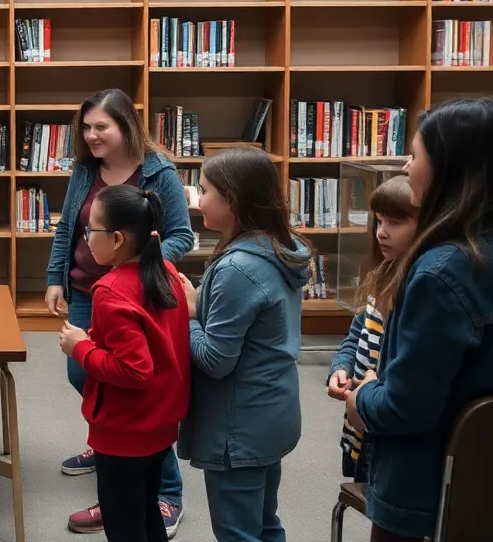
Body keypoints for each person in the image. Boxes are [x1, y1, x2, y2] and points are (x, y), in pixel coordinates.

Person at [45, 88, 194, 536]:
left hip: (134, 291)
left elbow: (181, 236)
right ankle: (110, 440)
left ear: (126, 125)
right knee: (83, 374)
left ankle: (166, 490)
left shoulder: (157, 171)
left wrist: (138, 268)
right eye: (86, 127)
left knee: (132, 382)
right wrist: (56, 276)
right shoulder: (85, 169)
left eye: (101, 127)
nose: (91, 135)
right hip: (90, 289)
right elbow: (68, 228)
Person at [346, 98, 493, 542]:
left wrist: (363, 398)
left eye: (415, 155)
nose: (406, 167)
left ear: (447, 166)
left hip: (424, 490)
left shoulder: (440, 272)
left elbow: (405, 407)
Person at [176, 147, 310, 542]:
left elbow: (215, 360)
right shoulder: (281, 247)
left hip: (240, 425)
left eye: (203, 190)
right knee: (266, 524)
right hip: (273, 411)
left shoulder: (239, 268)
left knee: (238, 532)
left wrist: (189, 315)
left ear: (231, 200)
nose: (196, 200)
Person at [59, 186, 190, 541]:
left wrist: (80, 348)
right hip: (160, 423)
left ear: (116, 238)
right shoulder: (165, 270)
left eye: (91, 230)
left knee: (124, 525)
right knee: (146, 511)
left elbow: (134, 370)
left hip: (124, 431)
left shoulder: (110, 289)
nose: (85, 240)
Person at [326, 175, 418, 484]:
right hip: (359, 418)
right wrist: (340, 367)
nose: (382, 232)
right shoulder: (381, 276)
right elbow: (356, 335)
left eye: (395, 222)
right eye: (379, 222)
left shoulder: (418, 287)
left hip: (382, 416)